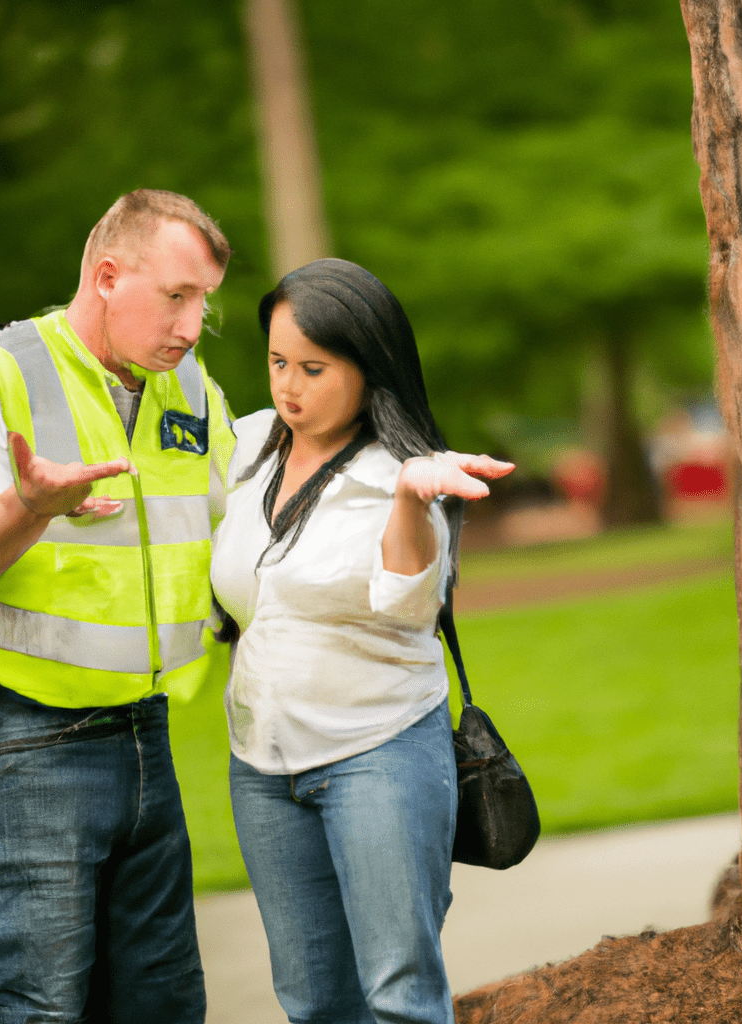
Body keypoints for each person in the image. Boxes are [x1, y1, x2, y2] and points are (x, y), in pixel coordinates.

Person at [0, 189, 236, 1024]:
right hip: (20, 746)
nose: (191, 324)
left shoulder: (189, 390)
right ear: (108, 277)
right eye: (177, 296)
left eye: (203, 302)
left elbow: (237, 525)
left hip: (146, 738)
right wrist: (25, 509)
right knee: (38, 1009)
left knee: (161, 1005)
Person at [211, 258, 513, 1024]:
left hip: (377, 752)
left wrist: (412, 503)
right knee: (313, 1001)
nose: (289, 386)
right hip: (261, 764)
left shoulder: (407, 471)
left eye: (314, 368)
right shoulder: (246, 450)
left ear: (368, 365)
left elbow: (409, 607)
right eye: (278, 362)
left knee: (398, 995)